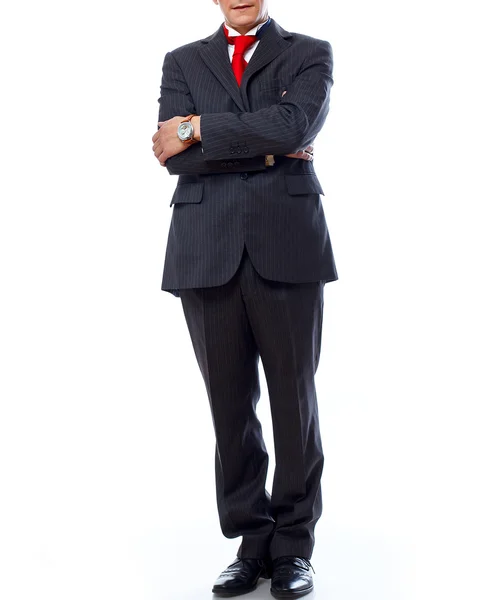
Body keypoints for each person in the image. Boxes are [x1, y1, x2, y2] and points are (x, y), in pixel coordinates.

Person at [152, 1, 338, 597]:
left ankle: (293, 547)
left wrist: (200, 126)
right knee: (229, 409)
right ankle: (251, 542)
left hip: (287, 243)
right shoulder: (182, 62)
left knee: (294, 405)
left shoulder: (309, 52)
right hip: (204, 248)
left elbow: (295, 127)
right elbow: (169, 155)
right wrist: (265, 146)